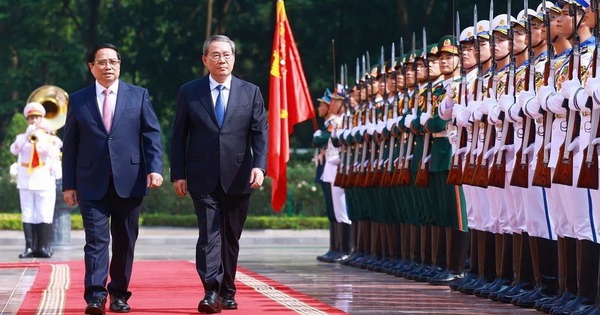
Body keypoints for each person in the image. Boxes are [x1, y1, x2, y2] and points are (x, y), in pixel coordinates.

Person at [62, 42, 164, 315]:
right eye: (102, 62)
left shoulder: (138, 95)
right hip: (90, 182)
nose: (108, 67)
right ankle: (95, 296)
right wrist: (68, 184)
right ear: (91, 66)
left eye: (113, 62)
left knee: (124, 241)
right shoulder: (79, 99)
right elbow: (70, 145)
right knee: (95, 241)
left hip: (130, 181)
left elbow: (151, 135)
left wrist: (155, 168)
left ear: (119, 65)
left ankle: (119, 294)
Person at [170, 34, 268, 314]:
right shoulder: (190, 92)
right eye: (215, 55)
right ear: (205, 60)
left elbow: (260, 133)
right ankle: (210, 291)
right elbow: (179, 136)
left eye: (226, 55)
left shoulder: (250, 92)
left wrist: (259, 166)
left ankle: (228, 290)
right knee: (209, 233)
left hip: (239, 174)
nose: (221, 60)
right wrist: (178, 173)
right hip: (201, 175)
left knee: (230, 236)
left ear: (233, 58)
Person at [10, 102, 61, 259]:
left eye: (37, 118)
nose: (34, 121)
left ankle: (44, 247)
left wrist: (42, 140)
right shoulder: (22, 138)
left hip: (44, 180)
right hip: (26, 180)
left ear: (42, 119)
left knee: (44, 213)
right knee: (28, 214)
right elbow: (14, 150)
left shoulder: (50, 138)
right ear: (27, 120)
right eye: (31, 118)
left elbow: (55, 152)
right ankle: (30, 248)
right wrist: (27, 136)